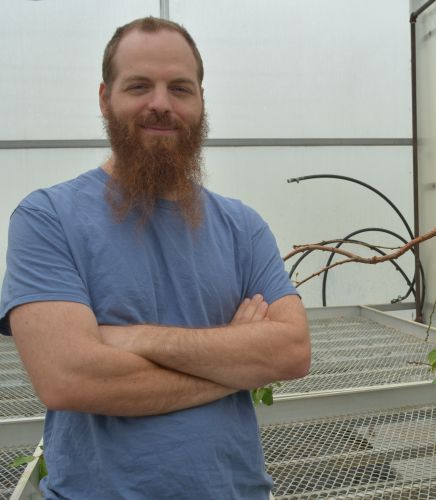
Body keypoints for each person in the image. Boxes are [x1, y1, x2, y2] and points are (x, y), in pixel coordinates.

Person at [0, 16, 310, 499]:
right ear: (105, 98)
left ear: (202, 101)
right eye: (139, 86)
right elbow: (69, 379)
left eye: (180, 88)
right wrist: (236, 357)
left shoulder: (242, 227)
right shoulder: (48, 217)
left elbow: (291, 352)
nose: (161, 104)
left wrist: (136, 339)